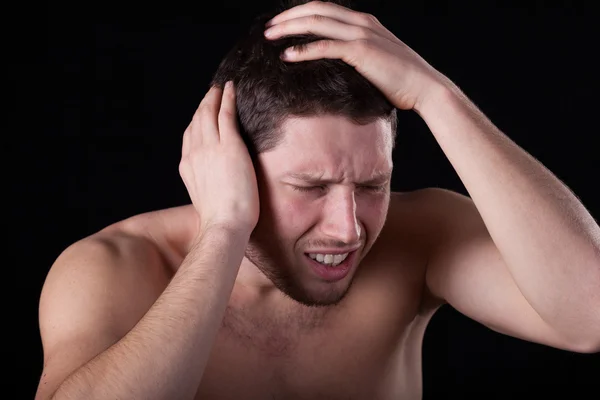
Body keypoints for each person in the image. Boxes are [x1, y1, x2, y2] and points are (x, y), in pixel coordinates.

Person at [35, 0, 600, 399]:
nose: (348, 229)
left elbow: (590, 318)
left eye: (372, 185)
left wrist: (436, 95)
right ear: (229, 163)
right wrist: (224, 230)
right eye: (311, 187)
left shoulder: (420, 237)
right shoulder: (114, 267)